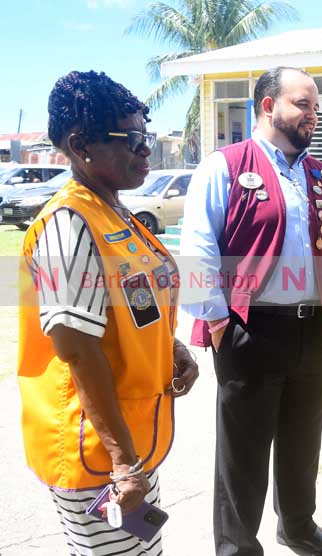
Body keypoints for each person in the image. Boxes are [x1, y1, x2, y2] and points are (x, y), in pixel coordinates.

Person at [179, 66, 322, 556]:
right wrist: (220, 324)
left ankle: (298, 528)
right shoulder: (225, 166)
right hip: (250, 330)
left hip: (311, 330)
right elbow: (197, 249)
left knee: (303, 442)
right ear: (268, 105)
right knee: (244, 452)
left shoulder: (317, 173)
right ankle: (237, 547)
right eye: (303, 105)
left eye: (316, 108)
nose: (313, 116)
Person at [17, 70, 199, 555]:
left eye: (148, 135)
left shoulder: (116, 214)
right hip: (97, 454)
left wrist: (174, 348)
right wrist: (123, 464)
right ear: (81, 146)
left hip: (134, 444)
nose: (146, 149)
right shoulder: (66, 226)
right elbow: (78, 351)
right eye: (133, 138)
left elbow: (136, 306)